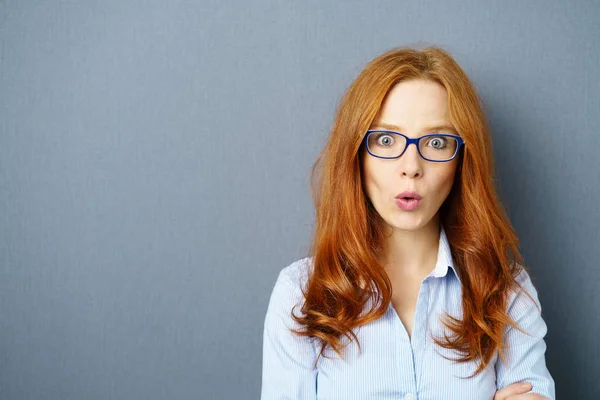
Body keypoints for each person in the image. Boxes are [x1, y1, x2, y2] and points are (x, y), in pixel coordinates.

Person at [260, 46, 555, 400]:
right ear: (356, 155)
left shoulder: (506, 293)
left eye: (436, 141)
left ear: (462, 158)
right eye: (386, 140)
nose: (411, 166)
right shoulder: (301, 295)